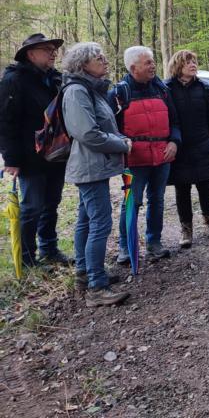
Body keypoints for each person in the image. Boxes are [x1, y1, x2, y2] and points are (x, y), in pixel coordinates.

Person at [61, 43, 132, 307]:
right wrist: (121, 144)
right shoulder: (77, 91)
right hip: (89, 167)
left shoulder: (90, 89)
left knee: (86, 220)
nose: (105, 60)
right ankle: (96, 287)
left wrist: (119, 138)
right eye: (98, 58)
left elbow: (103, 126)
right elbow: (88, 133)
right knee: (100, 223)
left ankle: (85, 272)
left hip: (93, 166)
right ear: (83, 65)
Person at [0, 33, 72, 267]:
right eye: (47, 50)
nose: (53, 53)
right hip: (29, 156)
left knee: (52, 203)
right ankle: (27, 258)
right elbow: (6, 121)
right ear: (31, 54)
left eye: (54, 50)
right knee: (32, 207)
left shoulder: (55, 79)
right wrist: (12, 159)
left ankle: (49, 249)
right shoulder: (14, 80)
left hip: (56, 153)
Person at [109, 46, 181, 263]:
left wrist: (174, 141)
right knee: (132, 201)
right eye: (148, 62)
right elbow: (110, 128)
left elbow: (175, 121)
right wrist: (123, 143)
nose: (153, 65)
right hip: (134, 160)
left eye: (152, 61)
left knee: (157, 200)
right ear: (133, 68)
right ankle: (125, 246)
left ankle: (154, 242)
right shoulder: (118, 94)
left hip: (162, 157)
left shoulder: (162, 89)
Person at [165, 50, 209, 248]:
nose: (193, 64)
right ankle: (186, 229)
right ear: (178, 65)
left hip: (202, 144)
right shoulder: (167, 88)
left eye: (194, 61)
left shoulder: (203, 87)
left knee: (205, 186)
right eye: (188, 62)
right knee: (182, 189)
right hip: (180, 147)